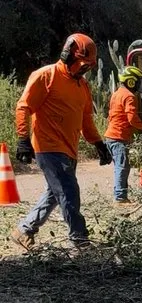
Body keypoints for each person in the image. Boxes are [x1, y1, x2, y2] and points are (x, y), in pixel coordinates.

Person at [12, 33, 111, 252]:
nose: (84, 70)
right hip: (48, 147)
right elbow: (23, 107)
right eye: (82, 64)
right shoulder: (45, 76)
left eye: (88, 67)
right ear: (67, 55)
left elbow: (86, 120)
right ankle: (80, 240)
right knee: (68, 191)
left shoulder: (83, 87)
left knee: (54, 194)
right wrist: (22, 139)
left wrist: (99, 144)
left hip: (69, 149)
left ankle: (24, 231)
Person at [104, 66, 142, 205]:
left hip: (111, 137)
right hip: (118, 138)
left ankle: (120, 195)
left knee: (120, 167)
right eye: (138, 82)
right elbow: (132, 118)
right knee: (122, 167)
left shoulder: (117, 93)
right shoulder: (129, 96)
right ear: (131, 82)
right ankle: (120, 198)